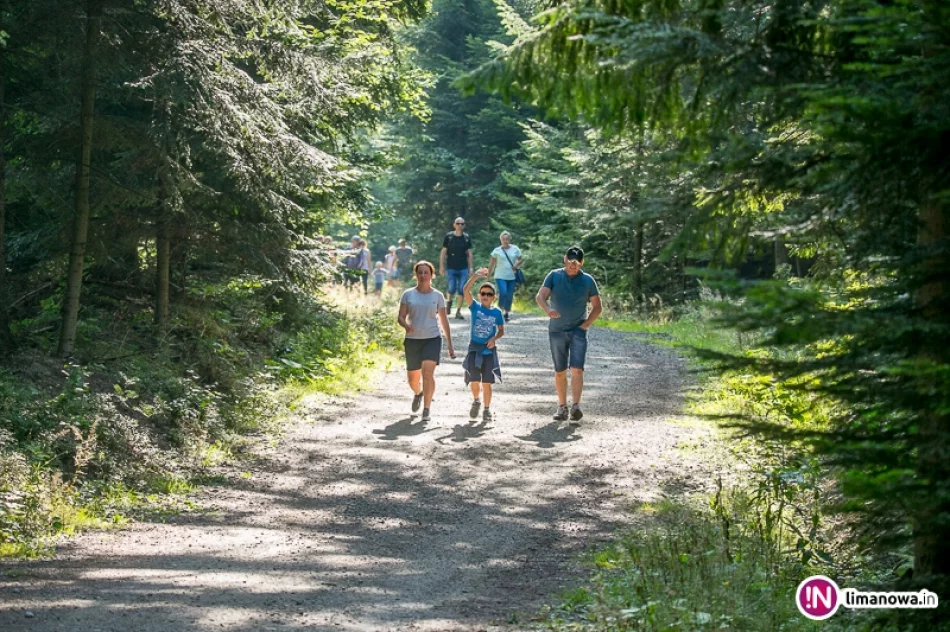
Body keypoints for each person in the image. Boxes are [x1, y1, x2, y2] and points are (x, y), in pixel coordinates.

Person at [536, 246, 602, 424]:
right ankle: (562, 406)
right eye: (571, 262)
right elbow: (540, 296)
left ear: (582, 263)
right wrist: (548, 309)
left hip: (578, 331)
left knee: (577, 369)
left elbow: (597, 307)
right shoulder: (554, 276)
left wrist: (585, 325)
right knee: (560, 371)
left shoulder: (587, 280)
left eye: (577, 263)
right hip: (557, 331)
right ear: (565, 259)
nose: (573, 265)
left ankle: (576, 406)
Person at [398, 261, 456, 422]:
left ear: (432, 275)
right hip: (412, 340)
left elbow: (444, 320)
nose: (423, 276)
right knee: (413, 379)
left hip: (432, 338)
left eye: (426, 272)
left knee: (428, 373)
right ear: (415, 275)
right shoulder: (408, 294)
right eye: (420, 272)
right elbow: (400, 317)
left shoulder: (437, 296)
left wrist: (450, 344)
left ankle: (427, 408)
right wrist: (406, 325)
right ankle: (418, 393)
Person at [461, 268, 505, 422]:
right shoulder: (475, 307)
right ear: (479, 296)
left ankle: (486, 409)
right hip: (474, 349)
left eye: (489, 294)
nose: (485, 296)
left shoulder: (497, 313)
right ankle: (476, 401)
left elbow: (501, 331)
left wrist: (494, 338)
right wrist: (475, 276)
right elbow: (465, 290)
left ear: (494, 297)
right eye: (483, 294)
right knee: (474, 380)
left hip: (488, 351)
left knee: (486, 382)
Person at [440, 217, 473, 320]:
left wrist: (471, 268)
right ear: (454, 225)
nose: (460, 225)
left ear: (464, 225)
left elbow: (470, 254)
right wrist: (441, 266)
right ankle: (448, 303)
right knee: (451, 288)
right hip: (451, 267)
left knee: (462, 289)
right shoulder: (449, 237)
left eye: (462, 224)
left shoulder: (466, 238)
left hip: (463, 268)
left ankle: (458, 311)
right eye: (458, 223)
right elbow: (443, 252)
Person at [487, 231, 523, 322]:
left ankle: (506, 313)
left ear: (509, 239)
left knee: (509, 295)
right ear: (500, 240)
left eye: (507, 239)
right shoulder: (497, 250)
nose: (505, 241)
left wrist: (516, 264)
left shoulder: (515, 249)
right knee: (503, 292)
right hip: (500, 276)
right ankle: (500, 309)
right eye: (503, 239)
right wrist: (488, 276)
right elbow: (491, 264)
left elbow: (520, 259)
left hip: (511, 276)